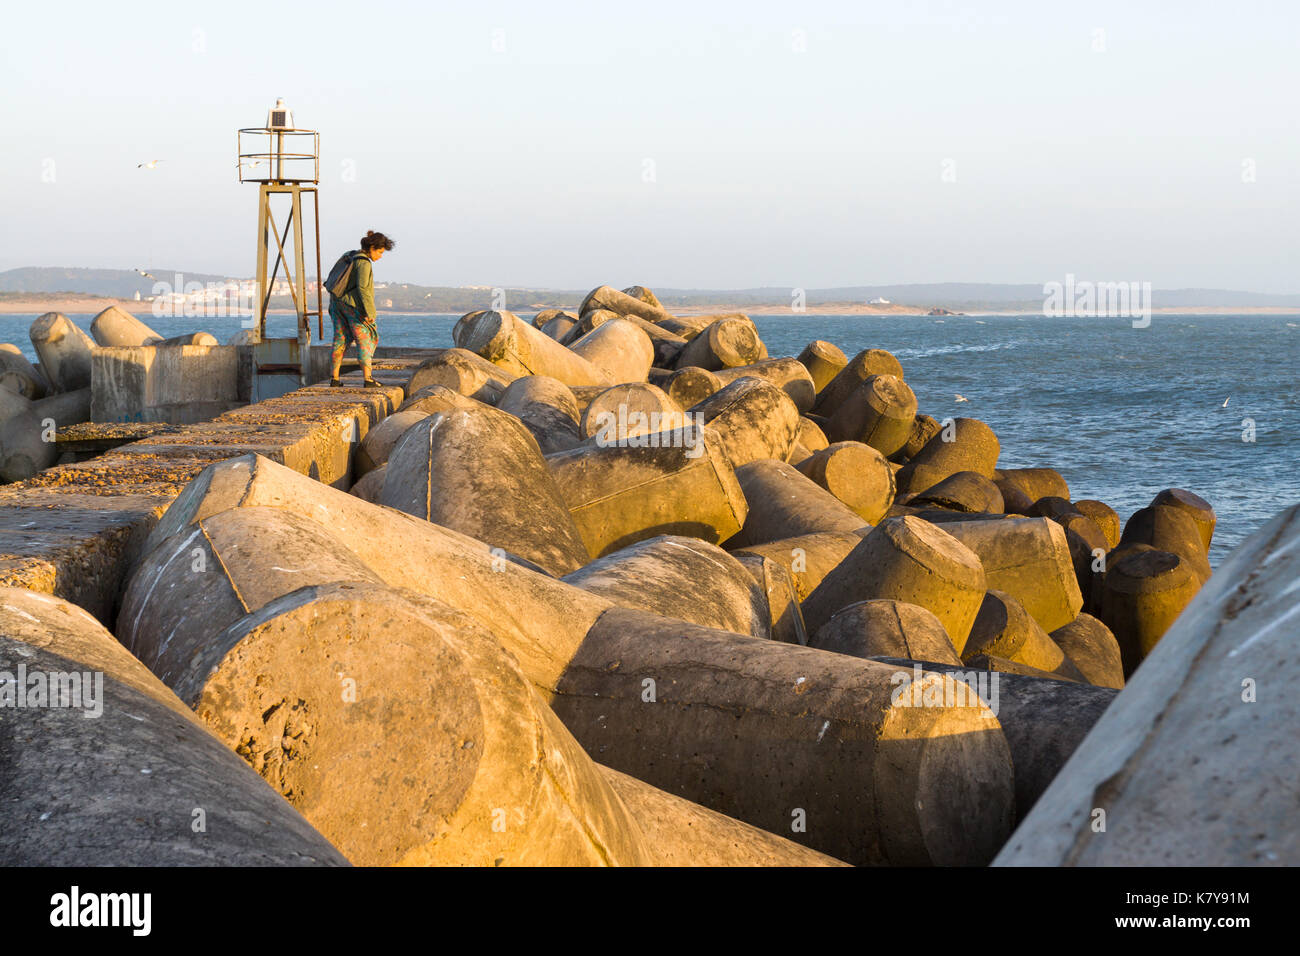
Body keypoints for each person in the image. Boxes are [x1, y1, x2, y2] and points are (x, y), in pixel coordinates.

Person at [329, 230, 394, 387]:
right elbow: (363, 289)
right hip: (353, 306)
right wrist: (370, 312)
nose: (380, 256)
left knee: (340, 339)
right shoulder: (364, 263)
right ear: (371, 247)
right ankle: (367, 379)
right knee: (366, 338)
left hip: (336, 303)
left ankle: (335, 378)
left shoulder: (349, 254)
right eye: (379, 251)